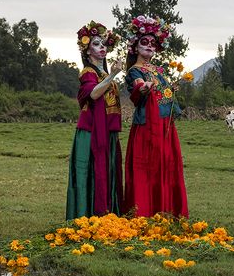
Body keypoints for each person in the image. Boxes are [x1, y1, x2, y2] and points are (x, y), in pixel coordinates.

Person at [122, 15, 188, 217]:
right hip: (147, 126)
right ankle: (144, 213)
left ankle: (166, 210)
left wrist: (172, 89)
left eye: (153, 43)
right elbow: (137, 87)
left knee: (164, 165)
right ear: (135, 46)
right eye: (144, 42)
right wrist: (143, 87)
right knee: (148, 167)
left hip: (164, 126)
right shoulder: (135, 70)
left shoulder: (158, 71)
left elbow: (165, 95)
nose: (149, 46)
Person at [66, 21, 125, 219]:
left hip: (107, 132)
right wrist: (114, 75)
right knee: (91, 172)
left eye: (103, 44)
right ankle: (89, 214)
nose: (102, 48)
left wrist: (111, 75)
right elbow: (92, 94)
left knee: (107, 172)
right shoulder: (88, 73)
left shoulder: (104, 73)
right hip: (92, 133)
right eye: (97, 44)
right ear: (87, 51)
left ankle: (108, 214)